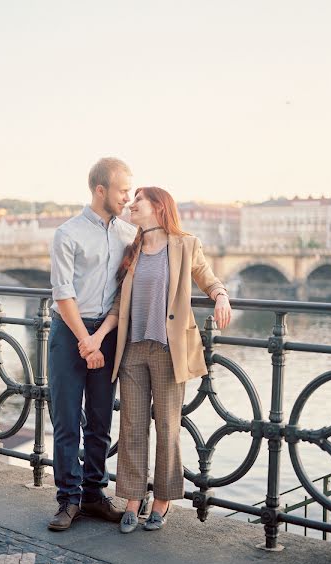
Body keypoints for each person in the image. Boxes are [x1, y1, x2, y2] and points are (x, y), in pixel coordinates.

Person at [78, 186, 232, 533]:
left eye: (138, 202)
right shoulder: (131, 250)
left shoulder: (185, 244)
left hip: (167, 350)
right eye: (130, 202)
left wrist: (220, 295)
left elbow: (206, 276)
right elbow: (120, 305)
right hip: (132, 350)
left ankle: (162, 500)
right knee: (132, 426)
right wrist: (99, 336)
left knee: (167, 426)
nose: (130, 206)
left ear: (159, 208)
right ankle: (133, 498)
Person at [47, 157, 136, 531]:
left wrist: (217, 289)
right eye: (122, 190)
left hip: (108, 333)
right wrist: (87, 342)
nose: (128, 198)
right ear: (101, 190)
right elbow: (63, 294)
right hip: (70, 332)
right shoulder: (67, 234)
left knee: (100, 418)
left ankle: (95, 495)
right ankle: (68, 499)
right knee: (66, 418)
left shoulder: (128, 235)